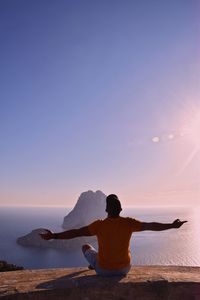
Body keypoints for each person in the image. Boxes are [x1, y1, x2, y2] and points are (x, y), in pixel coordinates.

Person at [40, 194, 187, 276]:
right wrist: (172, 225)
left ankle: (94, 264)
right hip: (124, 268)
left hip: (104, 270)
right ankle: (97, 262)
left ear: (106, 210)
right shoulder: (129, 223)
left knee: (86, 246)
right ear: (121, 209)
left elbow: (76, 233)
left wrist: (54, 236)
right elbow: (151, 226)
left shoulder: (99, 225)